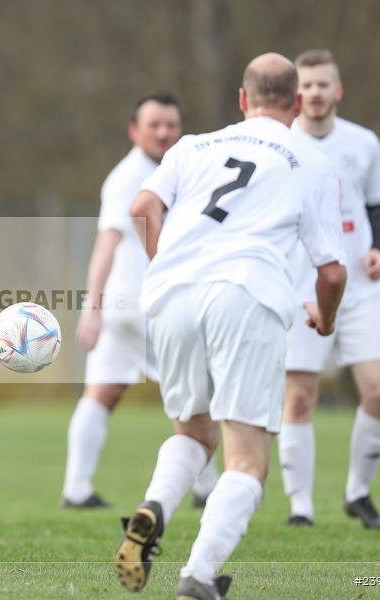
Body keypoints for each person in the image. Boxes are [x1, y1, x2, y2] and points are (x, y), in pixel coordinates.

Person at [116, 53, 347, 599]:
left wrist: (164, 261)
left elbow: (142, 205)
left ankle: (153, 506)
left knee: (193, 433)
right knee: (247, 459)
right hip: (244, 294)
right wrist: (325, 319)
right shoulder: (310, 159)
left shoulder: (193, 145)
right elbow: (332, 274)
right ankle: (198, 575)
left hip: (173, 294)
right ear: (294, 104)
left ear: (242, 100)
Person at [63, 94, 218, 509]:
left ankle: (76, 489)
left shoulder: (173, 170)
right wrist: (90, 308)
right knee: (192, 392)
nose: (164, 132)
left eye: (171, 124)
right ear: (135, 131)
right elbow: (106, 244)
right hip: (148, 306)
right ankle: (206, 488)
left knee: (101, 393)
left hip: (127, 307)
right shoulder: (130, 177)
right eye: (155, 125)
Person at [279, 49, 380, 530]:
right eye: (305, 85)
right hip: (303, 285)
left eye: (323, 84)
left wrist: (378, 249)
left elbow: (379, 205)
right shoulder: (280, 145)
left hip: (361, 288)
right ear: (294, 94)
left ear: (337, 90)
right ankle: (300, 508)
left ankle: (358, 493)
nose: (314, 93)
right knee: (300, 399)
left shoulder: (363, 142)